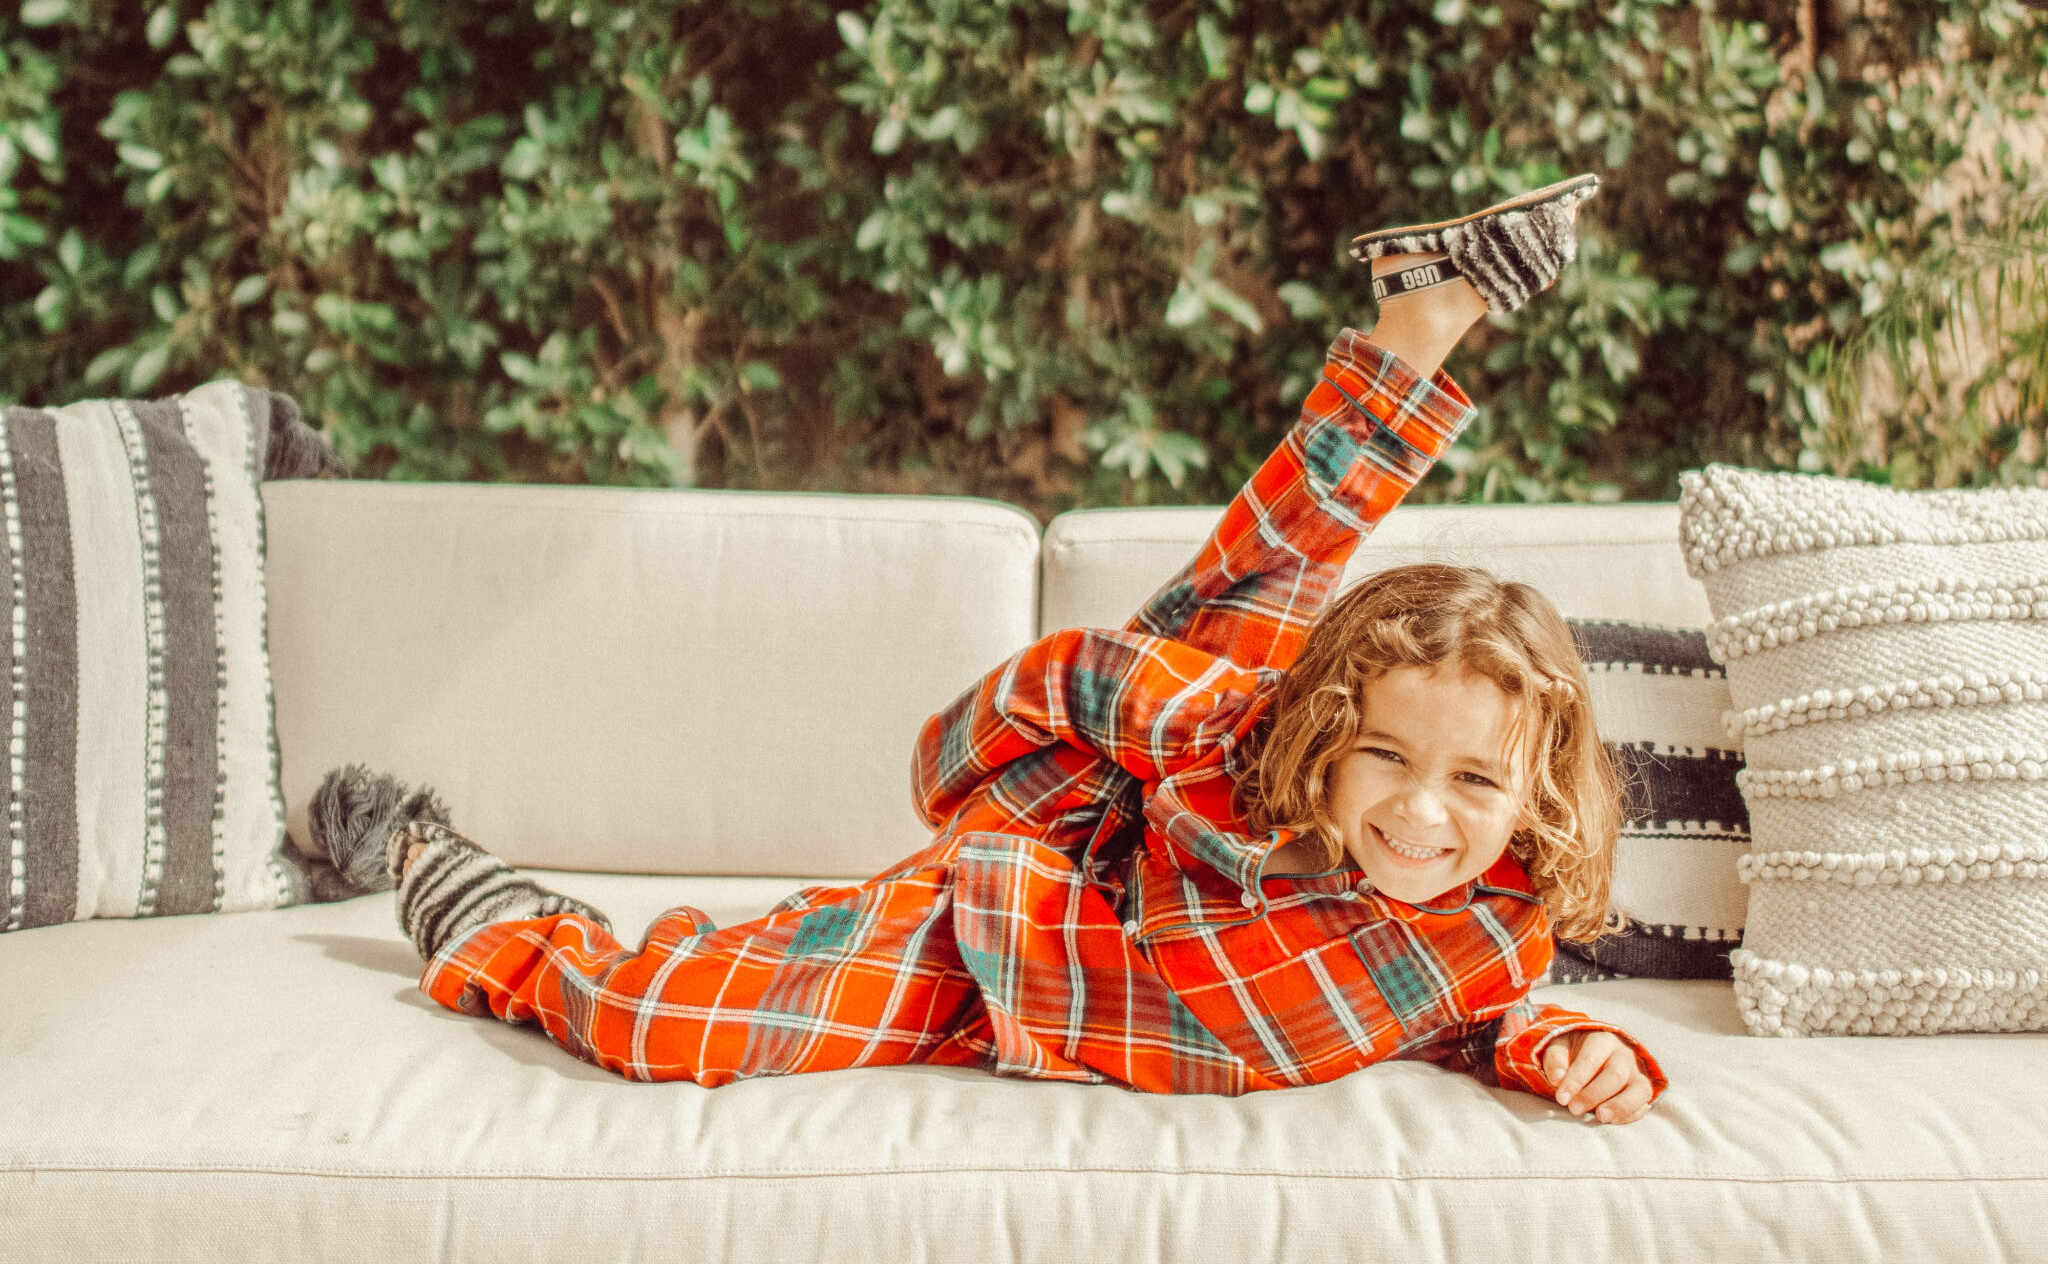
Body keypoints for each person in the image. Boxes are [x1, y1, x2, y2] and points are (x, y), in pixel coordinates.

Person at [370, 173, 1668, 1122]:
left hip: (1077, 983)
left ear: (1538, 791)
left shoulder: (1493, 925)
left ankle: (1416, 318)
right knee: (650, 1021)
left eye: (1477, 782)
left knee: (1266, 608)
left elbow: (1483, 1020)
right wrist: (952, 772)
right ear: (1338, 745)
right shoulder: (1248, 730)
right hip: (1018, 892)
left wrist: (1568, 1047)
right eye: (1387, 756)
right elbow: (1077, 675)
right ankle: (493, 915)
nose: (1425, 810)